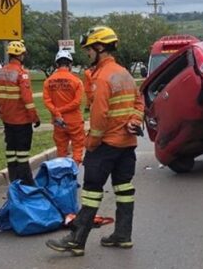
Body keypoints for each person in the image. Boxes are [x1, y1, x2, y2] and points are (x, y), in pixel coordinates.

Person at [47, 26, 143, 255]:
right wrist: (134, 121)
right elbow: (139, 104)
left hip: (106, 145)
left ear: (100, 48)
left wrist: (91, 144)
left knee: (91, 190)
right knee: (124, 189)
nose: (88, 54)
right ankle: (122, 235)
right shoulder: (125, 74)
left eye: (90, 49)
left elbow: (99, 117)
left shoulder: (101, 77)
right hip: (127, 145)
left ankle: (76, 240)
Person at [0, 40, 40, 185]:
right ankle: (26, 180)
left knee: (11, 151)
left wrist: (1, 113)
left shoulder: (0, 73)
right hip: (22, 120)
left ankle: (14, 178)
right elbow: (27, 99)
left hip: (7, 120)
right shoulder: (21, 74)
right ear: (20, 55)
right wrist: (35, 118)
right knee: (22, 153)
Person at [42, 49, 86, 164]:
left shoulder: (48, 81)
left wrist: (57, 113)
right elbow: (77, 102)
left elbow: (47, 101)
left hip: (58, 121)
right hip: (74, 120)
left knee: (61, 150)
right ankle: (74, 171)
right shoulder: (77, 81)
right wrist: (61, 110)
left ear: (57, 64)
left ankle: (62, 175)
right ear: (70, 64)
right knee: (77, 148)